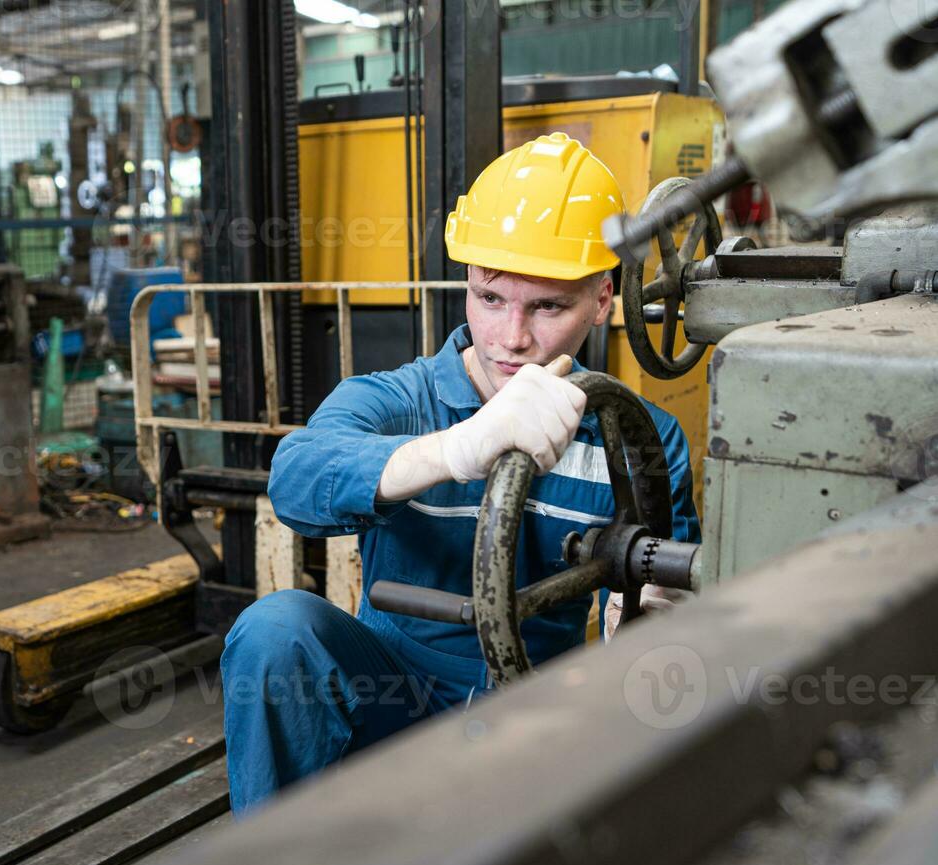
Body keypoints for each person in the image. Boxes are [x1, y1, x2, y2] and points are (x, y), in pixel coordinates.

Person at [220, 133, 700, 815]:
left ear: (603, 298)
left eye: (548, 307)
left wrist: (653, 624)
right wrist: (456, 449)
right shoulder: (400, 402)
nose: (511, 338)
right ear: (467, 280)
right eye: (490, 297)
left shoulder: (640, 442)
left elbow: (659, 606)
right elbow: (296, 479)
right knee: (276, 630)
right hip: (395, 695)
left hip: (541, 709)